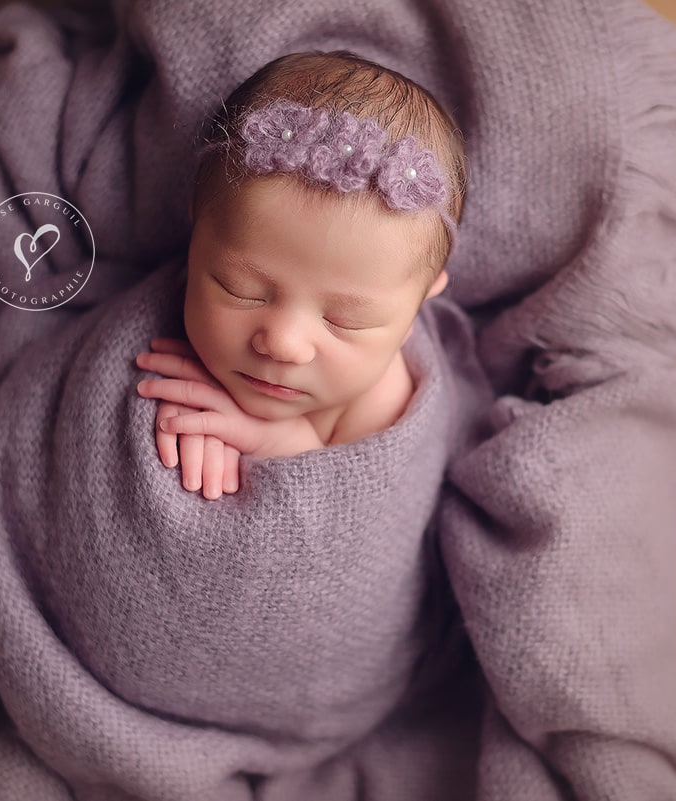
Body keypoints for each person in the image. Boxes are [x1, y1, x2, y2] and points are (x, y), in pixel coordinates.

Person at [134, 50, 467, 499]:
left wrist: (287, 446)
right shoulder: (163, 305)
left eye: (344, 321)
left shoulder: (382, 401)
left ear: (420, 304)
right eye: (242, 290)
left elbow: (375, 512)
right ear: (197, 232)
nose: (283, 344)